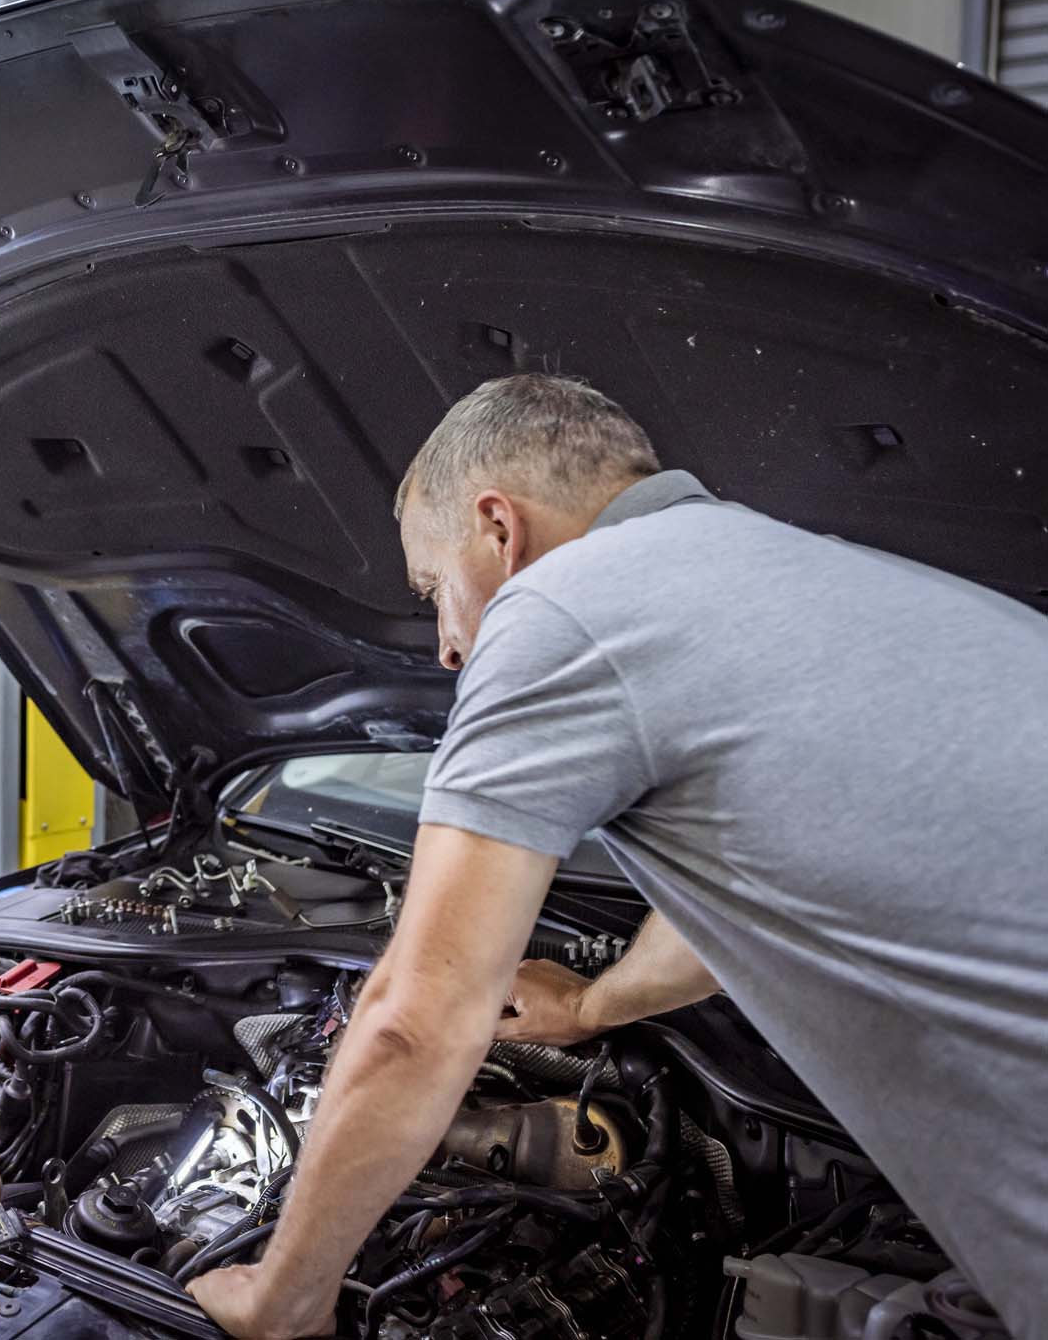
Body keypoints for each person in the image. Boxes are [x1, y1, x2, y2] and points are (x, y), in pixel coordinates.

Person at [189, 374, 1048, 1339]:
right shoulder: (814, 573)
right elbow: (752, 865)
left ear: (497, 529)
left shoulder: (560, 605)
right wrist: (596, 1006)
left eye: (433, 590)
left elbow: (415, 1023)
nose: (440, 645)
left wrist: (285, 1296)